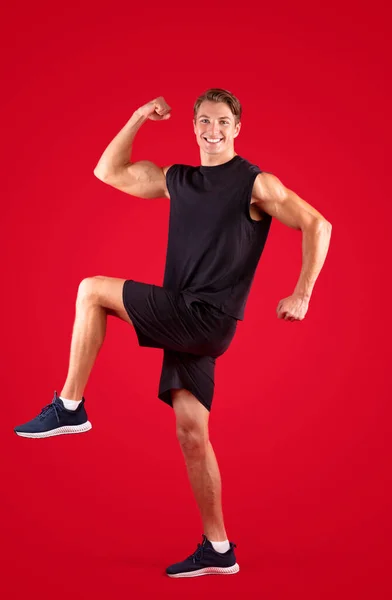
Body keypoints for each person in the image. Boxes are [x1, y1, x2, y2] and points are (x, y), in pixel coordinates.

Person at [14, 88, 332, 577]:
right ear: (194, 126)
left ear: (238, 127)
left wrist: (302, 293)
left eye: (223, 122)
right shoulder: (177, 180)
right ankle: (219, 548)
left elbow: (317, 224)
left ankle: (69, 406)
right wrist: (139, 115)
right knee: (191, 432)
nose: (213, 130)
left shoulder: (256, 184)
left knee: (91, 290)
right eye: (204, 121)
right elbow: (109, 172)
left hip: (204, 317)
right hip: (187, 321)